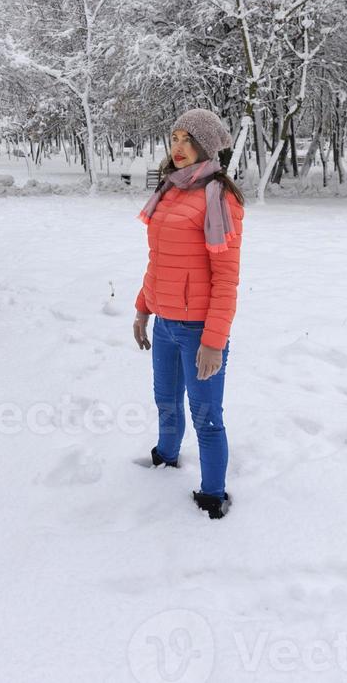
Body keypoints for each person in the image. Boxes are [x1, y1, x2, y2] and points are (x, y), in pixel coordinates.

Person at [132, 109, 245, 520]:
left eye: (188, 139)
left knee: (206, 416)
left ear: (207, 147)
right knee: (165, 401)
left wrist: (214, 341)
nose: (178, 148)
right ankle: (164, 458)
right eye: (174, 137)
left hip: (200, 329)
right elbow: (159, 261)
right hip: (165, 325)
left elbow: (226, 278)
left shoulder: (220, 197)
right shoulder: (170, 190)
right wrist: (143, 310)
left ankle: (213, 495)